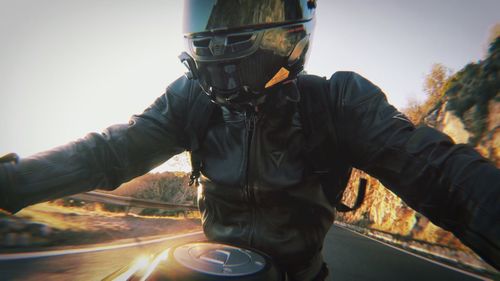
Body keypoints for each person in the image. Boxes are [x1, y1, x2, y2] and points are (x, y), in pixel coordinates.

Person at [1, 1, 499, 280]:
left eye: (242, 13)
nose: (218, 36)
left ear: (290, 24)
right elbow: (111, 150)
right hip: (205, 267)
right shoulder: (190, 97)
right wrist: (11, 181)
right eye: (210, 18)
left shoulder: (338, 100)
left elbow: (440, 174)